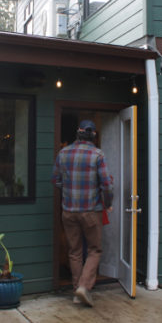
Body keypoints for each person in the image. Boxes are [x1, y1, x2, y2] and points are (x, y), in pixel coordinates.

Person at [52, 119, 113, 307]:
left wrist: (68, 190)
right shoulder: (97, 154)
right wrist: (107, 203)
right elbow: (107, 185)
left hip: (68, 211)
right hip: (90, 211)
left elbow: (55, 180)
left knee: (74, 252)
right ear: (93, 135)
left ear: (78, 133)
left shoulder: (63, 153)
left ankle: (75, 290)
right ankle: (84, 288)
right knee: (95, 250)